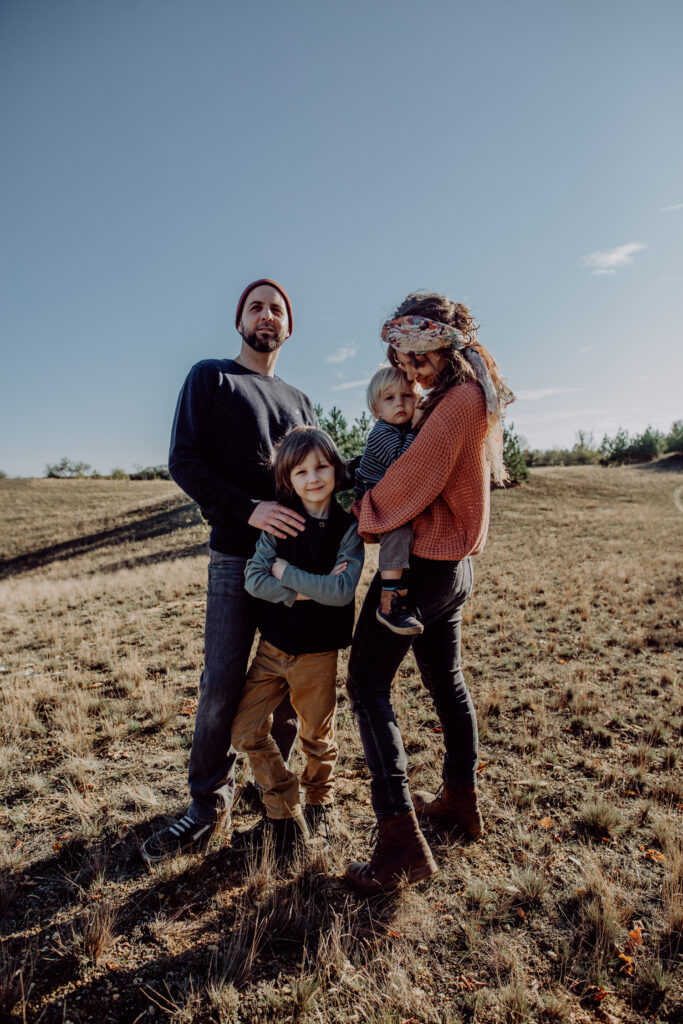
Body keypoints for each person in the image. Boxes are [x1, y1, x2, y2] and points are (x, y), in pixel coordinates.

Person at [344, 290, 514, 894]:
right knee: (448, 683)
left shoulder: (457, 401)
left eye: (420, 357)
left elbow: (410, 482)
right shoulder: (465, 394)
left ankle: (400, 845)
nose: (412, 372)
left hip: (422, 567)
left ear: (447, 344)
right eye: (403, 361)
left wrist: (362, 508)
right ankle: (460, 801)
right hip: (453, 570)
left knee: (366, 685)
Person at [142, 279, 317, 865]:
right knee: (221, 683)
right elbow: (183, 461)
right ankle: (206, 803)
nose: (267, 315)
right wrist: (248, 509)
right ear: (239, 321)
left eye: (277, 309)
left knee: (288, 686)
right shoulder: (211, 377)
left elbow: (314, 476)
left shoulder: (300, 400)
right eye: (255, 307)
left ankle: (274, 797)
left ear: (289, 326)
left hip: (293, 565)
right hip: (235, 559)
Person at [230, 426, 364, 859]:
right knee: (245, 729)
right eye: (301, 471)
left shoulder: (348, 529)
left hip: (318, 654)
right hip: (272, 650)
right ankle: (284, 805)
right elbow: (253, 580)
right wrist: (312, 589)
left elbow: (341, 592)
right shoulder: (280, 523)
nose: (313, 477)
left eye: (321, 466)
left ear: (336, 470)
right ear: (288, 479)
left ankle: (320, 804)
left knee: (316, 737)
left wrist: (285, 574)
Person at [355, 366, 422, 636]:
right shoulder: (381, 432)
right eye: (390, 398)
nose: (400, 404)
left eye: (407, 396)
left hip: (393, 493)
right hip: (374, 497)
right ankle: (389, 600)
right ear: (377, 410)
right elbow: (403, 464)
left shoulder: (403, 428)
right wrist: (417, 428)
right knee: (398, 530)